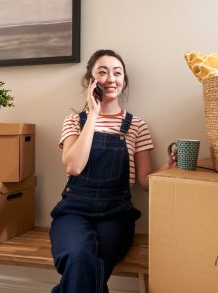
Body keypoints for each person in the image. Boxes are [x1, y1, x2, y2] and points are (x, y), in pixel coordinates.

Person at [49, 49, 176, 293]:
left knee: (90, 263)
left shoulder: (136, 125)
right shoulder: (74, 121)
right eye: (102, 72)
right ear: (90, 81)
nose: (111, 79)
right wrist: (93, 115)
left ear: (124, 80)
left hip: (117, 214)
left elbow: (144, 182)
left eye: (117, 73)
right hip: (74, 211)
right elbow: (73, 166)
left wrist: (167, 169)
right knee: (79, 256)